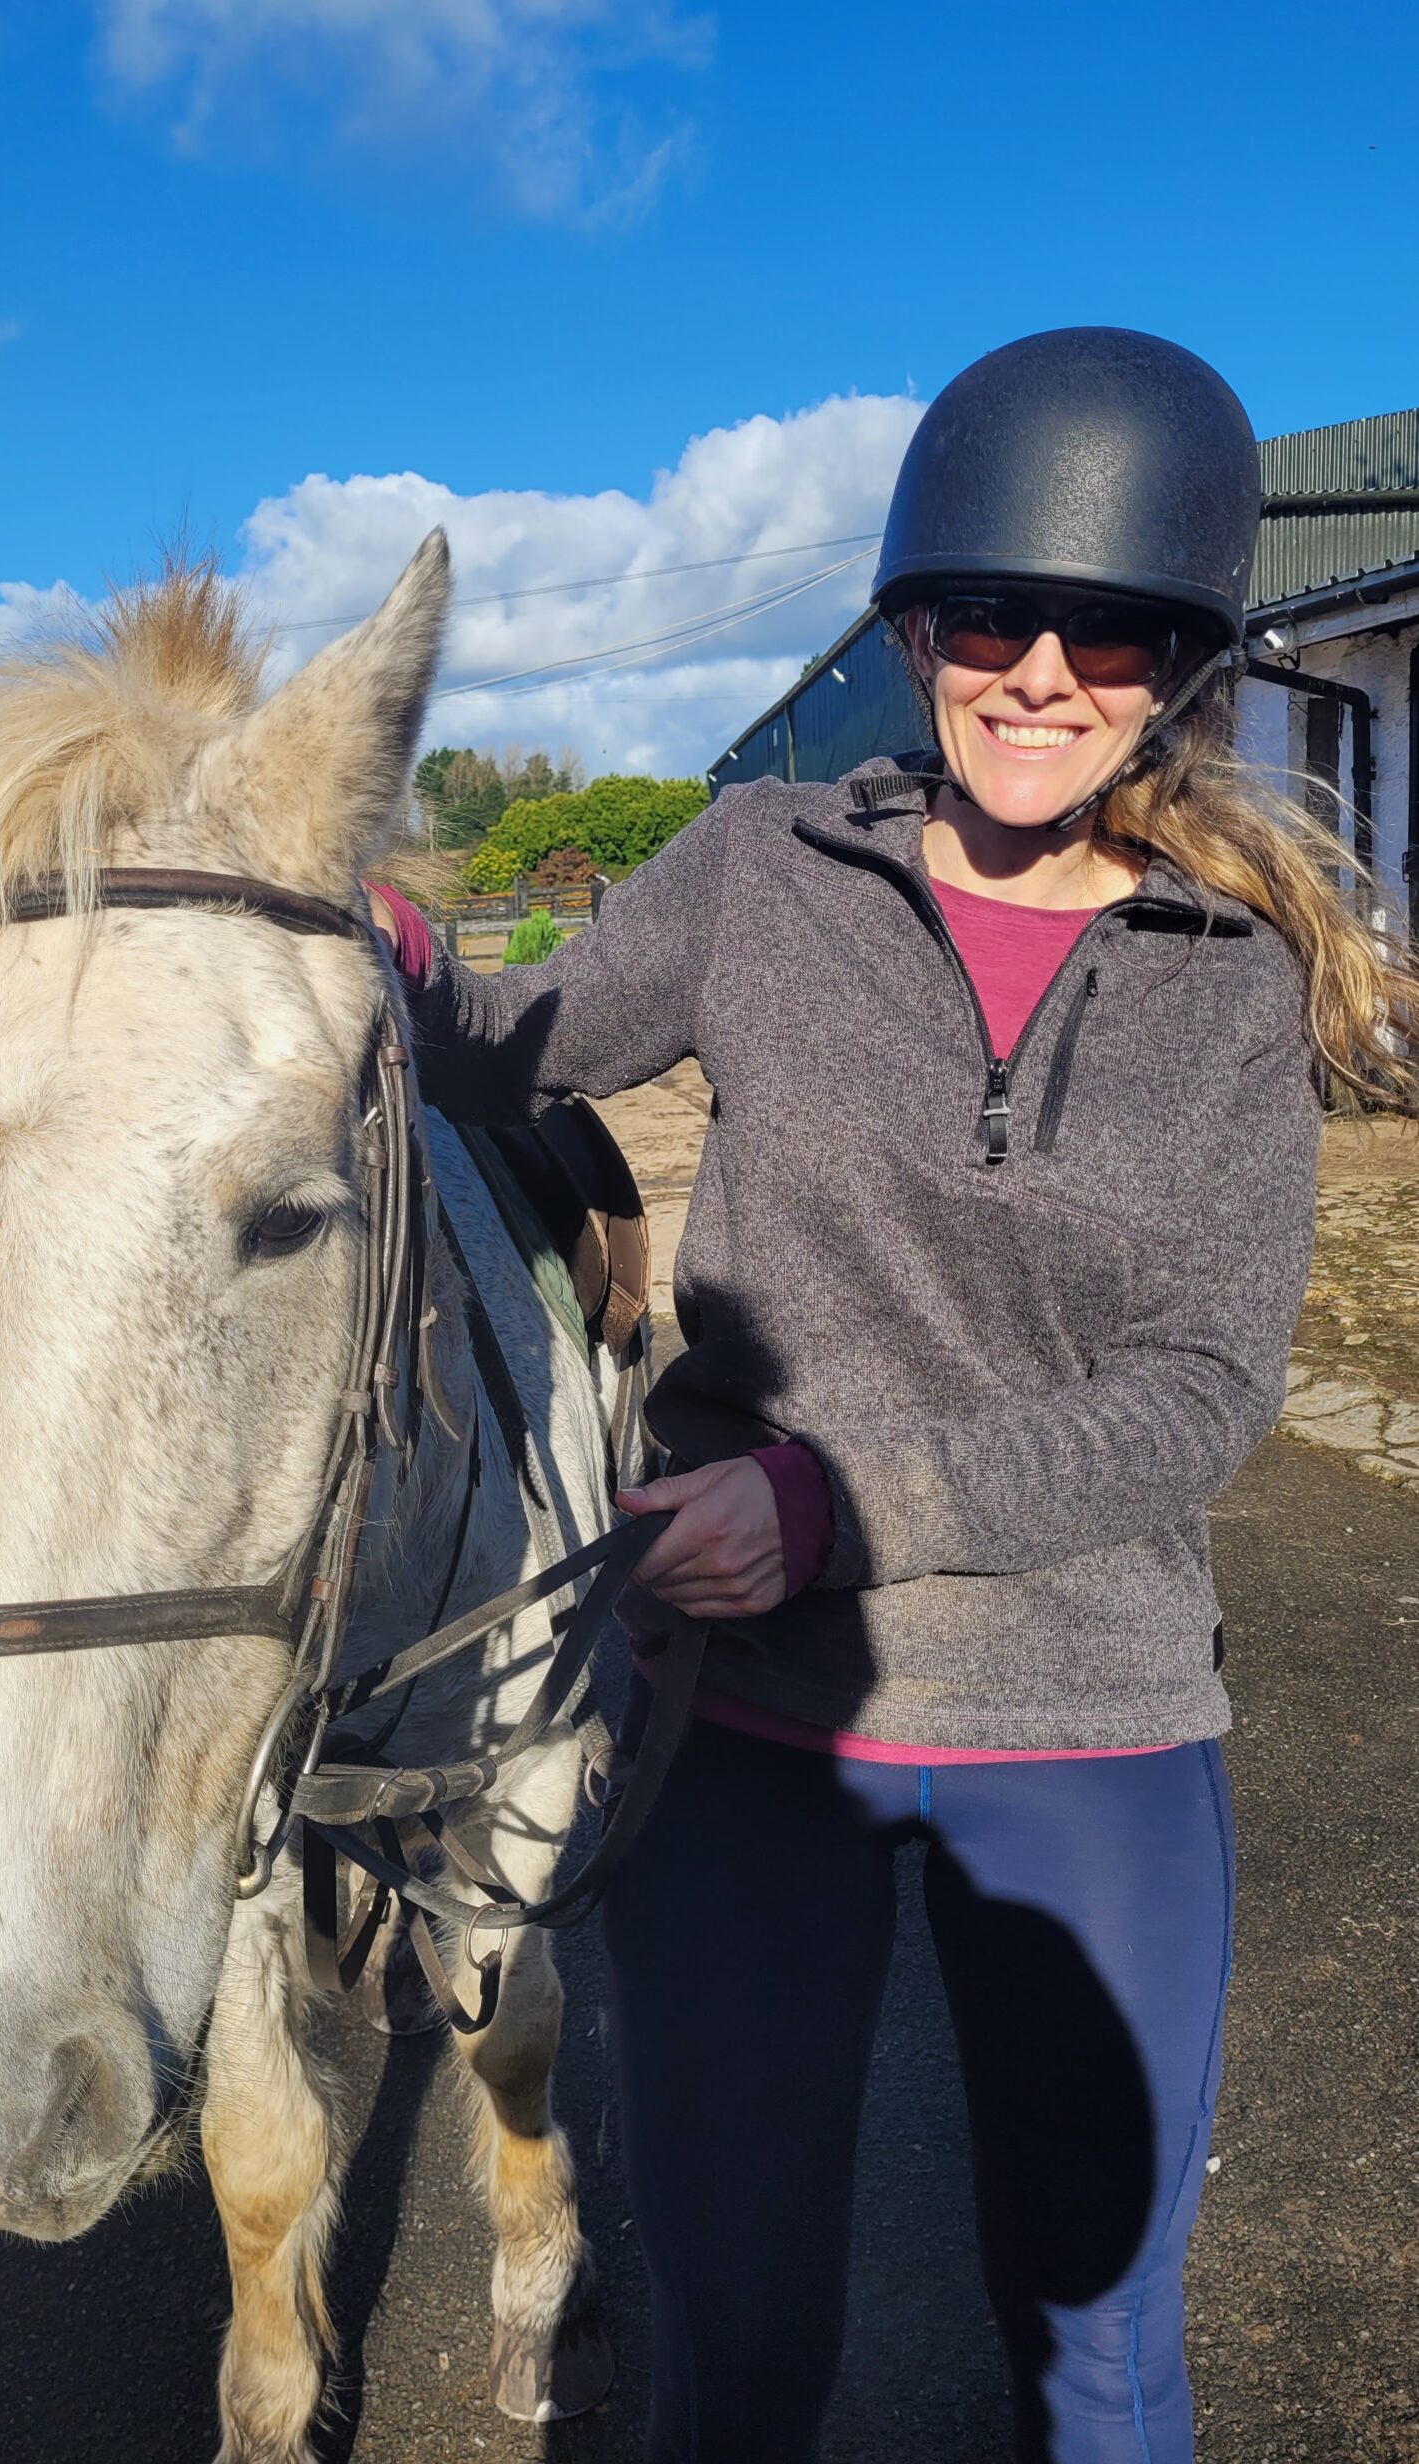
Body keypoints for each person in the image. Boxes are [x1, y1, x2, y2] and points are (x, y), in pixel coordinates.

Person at [368, 326, 1419, 2464]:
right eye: (982, 614)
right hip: (745, 1730)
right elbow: (515, 1048)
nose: (1040, 669)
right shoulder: (763, 866)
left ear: (1181, 661)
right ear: (911, 629)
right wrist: (377, 956)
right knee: (737, 2350)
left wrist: (829, 1504)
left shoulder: (1233, 979)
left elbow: (1201, 1390)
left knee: (1098, 2355)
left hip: (1094, 1728)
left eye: (1109, 629)